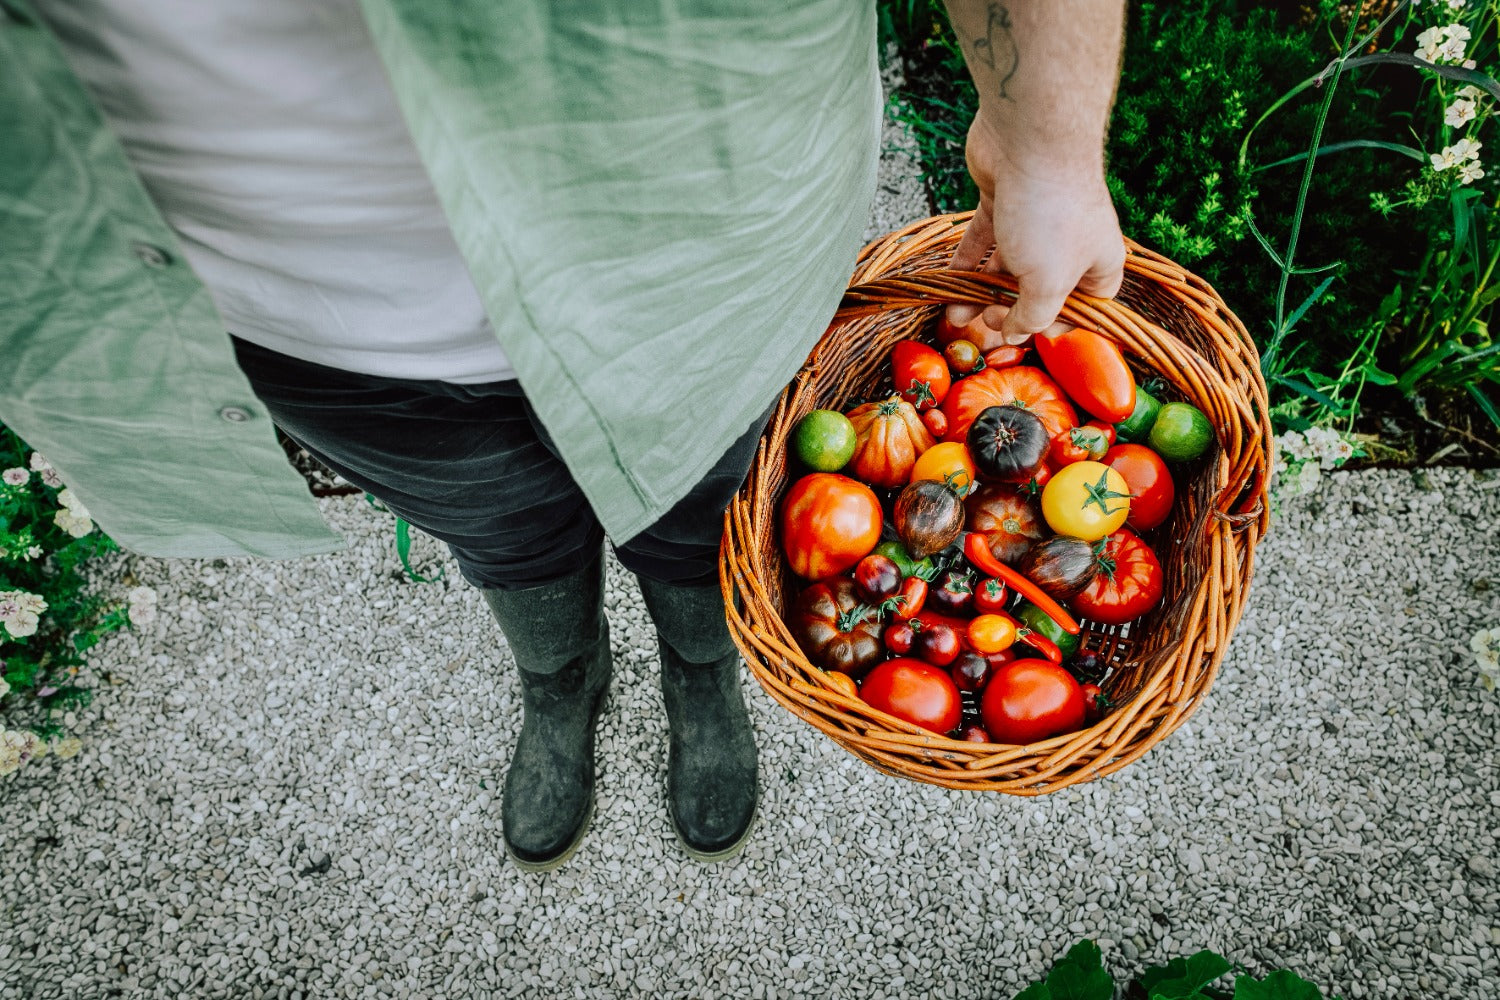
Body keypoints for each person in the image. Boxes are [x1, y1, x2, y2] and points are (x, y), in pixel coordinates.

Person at [0, 0, 1125, 871]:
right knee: (500, 537)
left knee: (706, 524)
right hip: (317, 331)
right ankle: (560, 678)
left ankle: (700, 669)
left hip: (688, 258)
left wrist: (1053, 143)